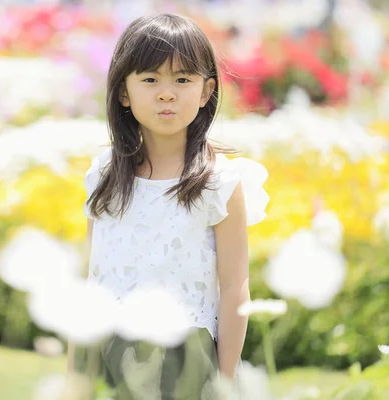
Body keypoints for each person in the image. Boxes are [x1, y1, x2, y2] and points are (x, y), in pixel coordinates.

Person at [67, 13, 269, 400]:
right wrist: (75, 378)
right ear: (123, 92)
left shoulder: (219, 183)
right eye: (149, 79)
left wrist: (224, 383)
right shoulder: (104, 177)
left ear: (206, 90)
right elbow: (90, 282)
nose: (166, 93)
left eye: (182, 79)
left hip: (185, 359)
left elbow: (234, 289)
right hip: (107, 350)